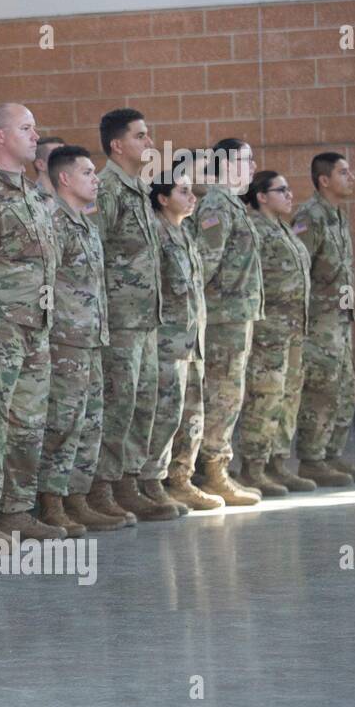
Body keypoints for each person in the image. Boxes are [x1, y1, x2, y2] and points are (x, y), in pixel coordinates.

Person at [0, 104, 64, 539]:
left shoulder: (32, 192)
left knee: (28, 420)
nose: (35, 136)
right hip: (0, 321)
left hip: (37, 321)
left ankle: (16, 509)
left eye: (35, 127)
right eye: (25, 128)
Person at [89, 109, 176, 522]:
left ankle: (132, 480)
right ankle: (103, 488)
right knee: (118, 405)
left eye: (149, 134)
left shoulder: (138, 188)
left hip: (145, 319)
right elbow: (95, 253)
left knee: (144, 403)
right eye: (141, 136)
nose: (150, 143)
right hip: (120, 320)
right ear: (117, 145)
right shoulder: (106, 188)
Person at [36, 146, 122, 534]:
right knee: (63, 422)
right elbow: (46, 281)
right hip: (66, 340)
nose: (96, 180)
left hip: (90, 337)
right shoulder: (54, 222)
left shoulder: (85, 223)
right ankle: (51, 501)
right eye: (88, 173)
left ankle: (77, 496)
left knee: (88, 422)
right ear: (65, 179)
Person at [146, 155, 222, 511]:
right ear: (162, 198)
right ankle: (154, 483)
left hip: (192, 342)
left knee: (192, 412)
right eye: (183, 191)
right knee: (165, 414)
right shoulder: (155, 234)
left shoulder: (185, 233)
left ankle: (181, 479)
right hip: (167, 341)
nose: (193, 197)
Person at [191, 138, 263, 506]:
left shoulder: (230, 203)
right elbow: (205, 261)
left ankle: (218, 466)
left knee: (229, 393)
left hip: (235, 316)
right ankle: (212, 470)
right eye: (247, 160)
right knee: (221, 394)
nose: (253, 168)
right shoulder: (217, 203)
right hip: (222, 318)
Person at [235, 170, 313, 496]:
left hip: (293, 328)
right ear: (262, 196)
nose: (289, 195)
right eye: (281, 190)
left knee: (288, 397)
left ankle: (277, 462)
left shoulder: (284, 229)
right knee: (265, 397)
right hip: (269, 330)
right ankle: (253, 466)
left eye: (289, 189)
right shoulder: (256, 230)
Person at [293, 152, 355, 485]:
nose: (351, 177)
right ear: (324, 180)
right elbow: (299, 269)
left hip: (340, 322)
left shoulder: (338, 216)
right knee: (321, 390)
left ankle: (331, 455)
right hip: (320, 324)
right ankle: (312, 459)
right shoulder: (311, 217)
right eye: (343, 172)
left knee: (343, 389)